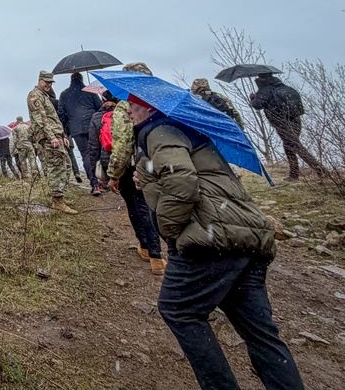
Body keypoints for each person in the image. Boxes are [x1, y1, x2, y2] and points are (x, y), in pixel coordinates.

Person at [128, 93, 304, 390]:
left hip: (211, 239)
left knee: (178, 310)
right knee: (260, 333)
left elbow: (182, 182)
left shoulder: (158, 130)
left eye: (132, 106)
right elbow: (193, 175)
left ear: (147, 106)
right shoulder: (188, 129)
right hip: (248, 238)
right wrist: (146, 178)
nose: (129, 112)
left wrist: (170, 231)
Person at [105, 62, 165, 275]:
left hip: (136, 166)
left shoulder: (126, 105)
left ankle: (152, 252)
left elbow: (122, 145)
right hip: (161, 163)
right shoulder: (163, 101)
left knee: (138, 206)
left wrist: (114, 174)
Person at [250, 73, 325, 181]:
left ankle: (321, 171)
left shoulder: (266, 90)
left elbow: (257, 105)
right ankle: (294, 175)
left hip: (282, 122)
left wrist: (253, 98)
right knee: (290, 147)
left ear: (261, 79)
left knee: (296, 147)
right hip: (295, 120)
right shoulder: (283, 87)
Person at [27, 71, 78, 214]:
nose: (48, 85)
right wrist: (52, 137)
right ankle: (57, 200)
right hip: (48, 137)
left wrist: (63, 136)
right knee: (57, 166)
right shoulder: (35, 95)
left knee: (66, 165)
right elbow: (40, 118)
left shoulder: (45, 96)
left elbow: (53, 118)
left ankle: (60, 196)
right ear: (40, 80)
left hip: (56, 135)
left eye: (50, 82)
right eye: (46, 82)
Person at [58, 72, 103, 193]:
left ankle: (94, 184)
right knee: (96, 153)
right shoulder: (90, 91)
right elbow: (99, 107)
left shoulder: (64, 94)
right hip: (92, 125)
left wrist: (65, 131)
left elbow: (61, 114)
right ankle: (102, 181)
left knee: (86, 154)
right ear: (82, 79)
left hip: (76, 129)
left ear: (71, 80)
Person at [87, 90, 118, 195]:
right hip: (123, 160)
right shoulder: (123, 114)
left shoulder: (96, 117)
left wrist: (94, 171)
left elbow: (93, 147)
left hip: (106, 161)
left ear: (102, 100)